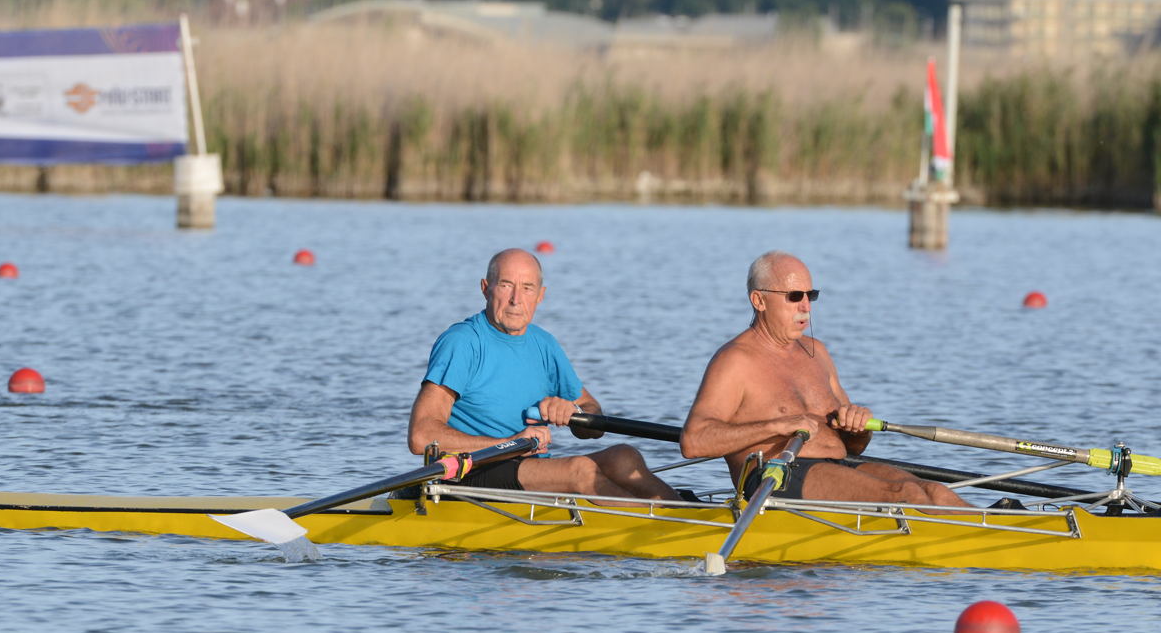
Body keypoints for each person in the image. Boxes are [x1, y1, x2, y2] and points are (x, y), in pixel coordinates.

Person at [680, 250, 971, 508]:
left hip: (838, 464)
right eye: (794, 297)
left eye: (811, 295)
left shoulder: (816, 352)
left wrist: (858, 428)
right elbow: (694, 442)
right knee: (905, 494)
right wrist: (777, 426)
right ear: (759, 300)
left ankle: (1003, 541)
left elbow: (853, 447)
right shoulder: (734, 361)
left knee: (934, 492)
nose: (806, 306)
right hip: (776, 476)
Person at [408, 248, 679, 503]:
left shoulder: (544, 344)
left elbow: (593, 419)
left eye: (527, 288)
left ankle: (694, 519)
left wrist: (573, 412)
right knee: (580, 469)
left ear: (540, 295)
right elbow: (421, 436)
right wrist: (508, 444)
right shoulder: (462, 342)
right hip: (469, 471)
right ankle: (659, 532)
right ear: (485, 289)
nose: (516, 299)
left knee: (624, 456)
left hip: (526, 468)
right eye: (505, 285)